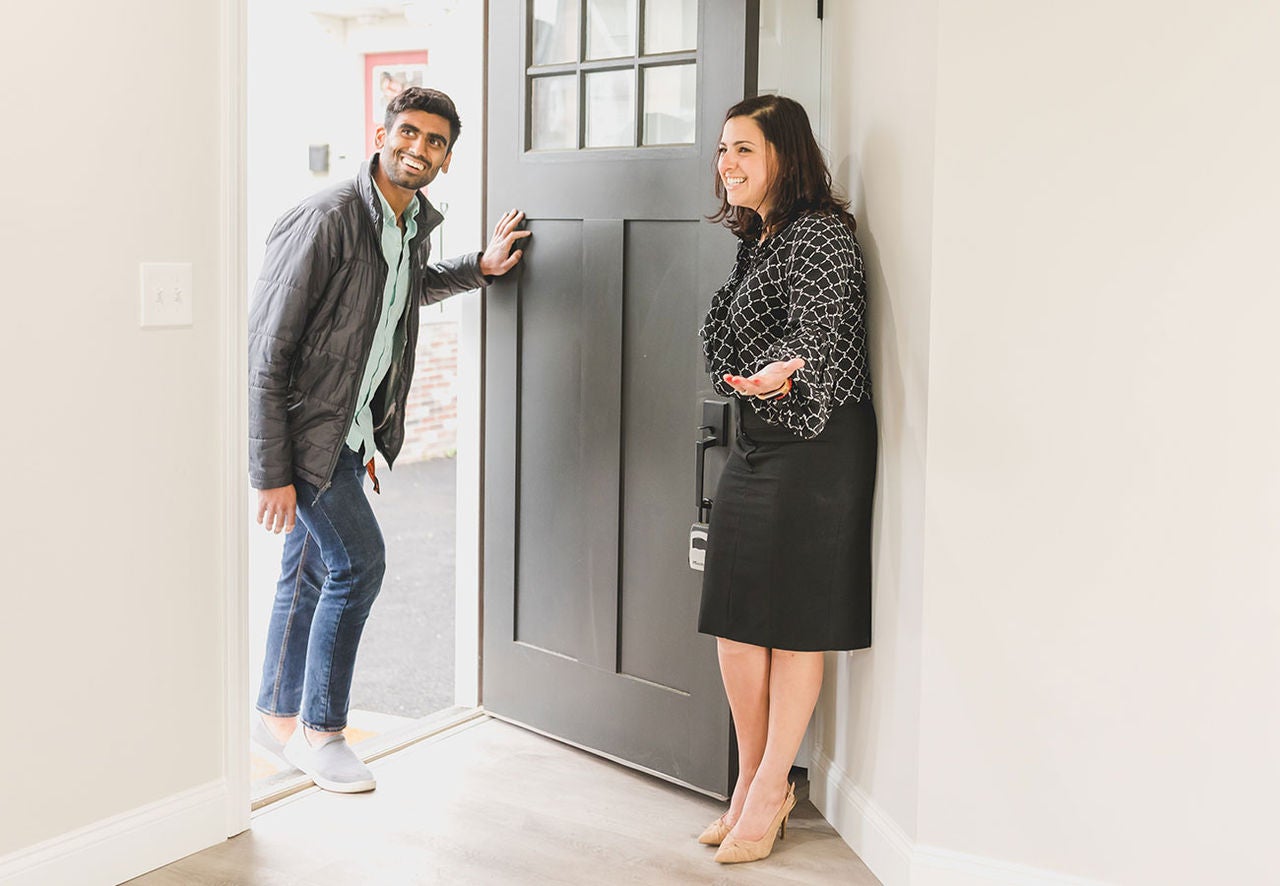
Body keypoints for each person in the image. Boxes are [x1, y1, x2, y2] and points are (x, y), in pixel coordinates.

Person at [248, 86, 530, 793]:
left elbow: (403, 289)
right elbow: (266, 350)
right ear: (381, 133)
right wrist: (270, 470)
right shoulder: (328, 218)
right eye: (408, 133)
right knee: (358, 563)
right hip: (307, 436)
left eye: (435, 142)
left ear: (446, 156)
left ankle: (276, 717)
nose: (419, 149)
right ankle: (322, 730)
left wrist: (481, 267)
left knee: (308, 569)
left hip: (347, 431)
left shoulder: (408, 223)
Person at [696, 94, 877, 864]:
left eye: (743, 149)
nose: (726, 164)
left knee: (796, 623)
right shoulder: (759, 239)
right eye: (723, 150)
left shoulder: (823, 236)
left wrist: (784, 372)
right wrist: (757, 380)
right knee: (737, 622)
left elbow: (819, 330)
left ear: (784, 156)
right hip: (760, 439)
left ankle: (771, 788)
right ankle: (748, 781)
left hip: (820, 442)